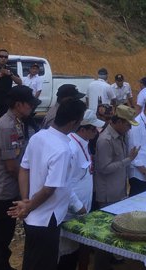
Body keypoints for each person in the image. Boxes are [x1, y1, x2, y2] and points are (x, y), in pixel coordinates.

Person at [7, 99, 87, 270]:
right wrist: (28, 206)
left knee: (32, 260)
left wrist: (26, 200)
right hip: (46, 218)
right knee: (43, 263)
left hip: (33, 215)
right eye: (80, 122)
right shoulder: (62, 150)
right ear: (74, 122)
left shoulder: (39, 136)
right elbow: (49, 189)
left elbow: (24, 169)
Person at [0, 85, 38, 270]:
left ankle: (1, 264)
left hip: (10, 187)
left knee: (5, 231)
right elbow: (11, 166)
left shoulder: (16, 121)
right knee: (0, 233)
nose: (32, 107)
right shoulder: (7, 126)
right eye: (29, 104)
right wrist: (26, 183)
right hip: (5, 189)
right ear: (18, 104)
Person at [92, 105, 139, 270]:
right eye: (127, 124)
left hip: (117, 191)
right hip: (108, 194)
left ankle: (110, 261)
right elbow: (104, 168)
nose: (129, 128)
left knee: (114, 230)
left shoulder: (120, 135)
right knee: (105, 234)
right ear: (118, 121)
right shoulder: (105, 140)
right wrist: (128, 160)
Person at [57, 110, 104, 270]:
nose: (97, 132)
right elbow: (64, 183)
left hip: (82, 210)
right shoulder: (71, 148)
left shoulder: (83, 144)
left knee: (77, 252)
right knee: (67, 256)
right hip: (71, 213)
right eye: (94, 129)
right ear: (83, 129)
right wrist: (77, 206)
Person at [22, 63, 43, 137]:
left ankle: (36, 130)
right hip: (25, 100)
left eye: (36, 69)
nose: (34, 70)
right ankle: (28, 134)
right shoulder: (26, 78)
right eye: (33, 68)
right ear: (30, 69)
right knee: (26, 117)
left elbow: (39, 91)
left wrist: (33, 102)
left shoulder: (38, 79)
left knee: (27, 116)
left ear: (38, 70)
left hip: (32, 101)